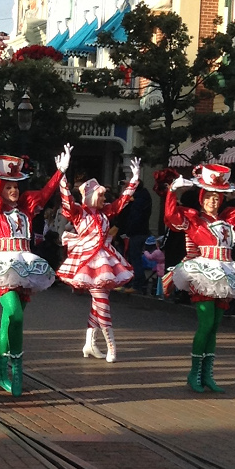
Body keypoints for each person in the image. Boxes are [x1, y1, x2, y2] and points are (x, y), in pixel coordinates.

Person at [0, 135, 64, 397]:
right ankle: (16, 372)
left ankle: (0, 373)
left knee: (10, 322)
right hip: (3, 268)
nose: (14, 190)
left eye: (17, 186)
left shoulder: (27, 208)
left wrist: (60, 172)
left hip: (26, 267)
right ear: (0, 188)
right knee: (14, 314)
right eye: (8, 187)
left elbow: (46, 193)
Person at [164, 164, 235, 393]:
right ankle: (194, 373)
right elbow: (171, 215)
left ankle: (207, 374)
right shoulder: (194, 219)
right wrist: (172, 192)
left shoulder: (228, 218)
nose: (213, 202)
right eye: (209, 197)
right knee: (206, 323)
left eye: (217, 198)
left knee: (215, 326)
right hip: (204, 274)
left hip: (225, 273)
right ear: (202, 199)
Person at [57, 154, 141, 363]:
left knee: (99, 302)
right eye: (102, 196)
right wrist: (62, 175)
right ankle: (111, 346)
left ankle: (90, 343)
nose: (105, 199)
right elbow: (67, 200)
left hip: (105, 260)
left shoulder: (105, 214)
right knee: (102, 302)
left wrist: (134, 180)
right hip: (88, 262)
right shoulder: (79, 213)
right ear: (92, 196)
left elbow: (122, 202)